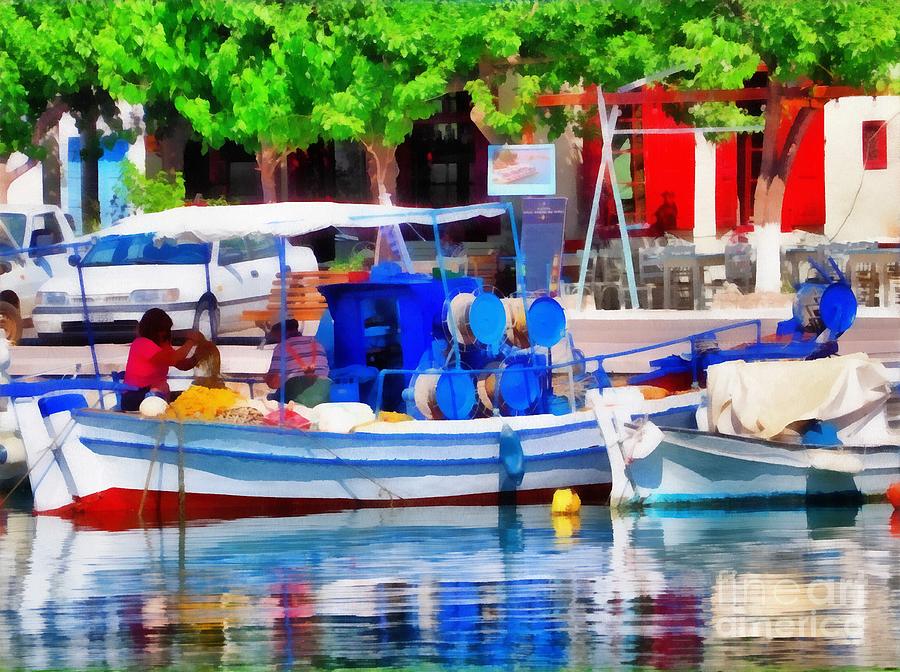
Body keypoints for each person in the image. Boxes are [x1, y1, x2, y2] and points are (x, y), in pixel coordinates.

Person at [121, 309, 202, 411]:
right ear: (153, 330)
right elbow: (173, 359)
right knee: (161, 387)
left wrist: (198, 356)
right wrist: (191, 341)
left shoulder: (163, 346)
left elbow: (182, 365)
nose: (165, 333)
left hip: (155, 394)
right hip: (134, 396)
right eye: (163, 330)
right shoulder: (141, 344)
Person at [265, 319, 331, 407]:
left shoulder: (281, 348)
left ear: (280, 333)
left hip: (296, 398)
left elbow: (273, 384)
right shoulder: (317, 343)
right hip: (323, 396)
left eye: (275, 337)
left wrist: (267, 378)